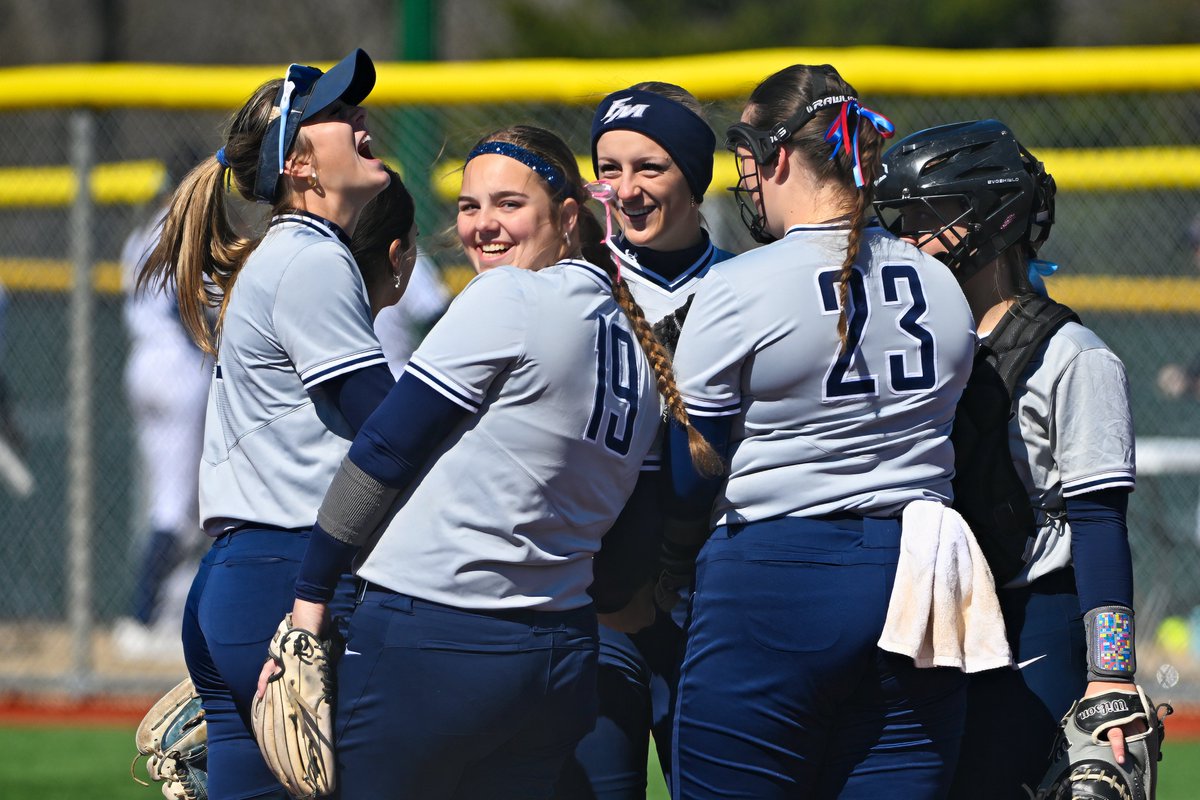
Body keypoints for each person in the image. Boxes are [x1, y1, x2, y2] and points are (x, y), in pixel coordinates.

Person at [262, 124, 721, 800]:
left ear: (568, 217)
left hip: (439, 634)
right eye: (469, 206)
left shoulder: (510, 297)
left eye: (510, 204)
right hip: (561, 654)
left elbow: (384, 449)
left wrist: (308, 602)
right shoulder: (635, 339)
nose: (483, 224)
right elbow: (626, 552)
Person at [662, 64, 989, 798]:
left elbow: (691, 472)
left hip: (776, 572)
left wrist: (664, 564)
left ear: (777, 157)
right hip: (920, 568)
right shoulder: (940, 281)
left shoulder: (740, 284)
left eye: (750, 158)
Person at [138, 49, 396, 800]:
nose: (359, 119)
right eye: (336, 114)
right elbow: (388, 432)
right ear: (299, 165)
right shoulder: (312, 258)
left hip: (238, 580)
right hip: (289, 577)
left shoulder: (284, 253)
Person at [873, 119, 1144, 798]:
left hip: (1033, 619)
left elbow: (1099, 522)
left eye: (931, 214)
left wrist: (1111, 674)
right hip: (925, 620)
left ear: (995, 217)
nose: (909, 236)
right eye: (904, 217)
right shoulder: (908, 347)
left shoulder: (1073, 357)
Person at [555, 82, 735, 800]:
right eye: (610, 168)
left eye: (650, 167)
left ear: (694, 175)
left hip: (715, 587)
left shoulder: (748, 286)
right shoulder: (570, 286)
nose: (625, 190)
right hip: (592, 588)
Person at [373, 249, 450, 375]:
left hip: (349, 375)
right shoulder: (405, 257)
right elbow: (436, 315)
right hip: (399, 372)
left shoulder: (342, 258)